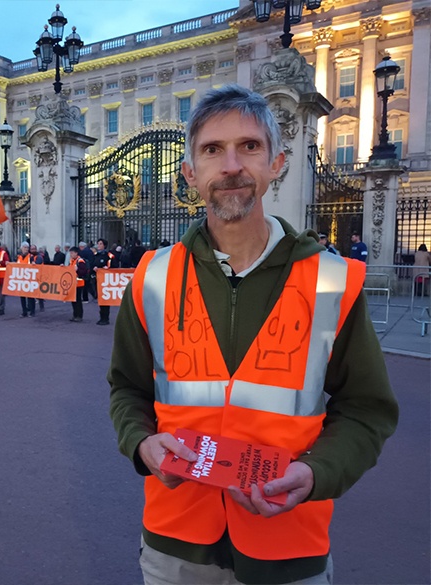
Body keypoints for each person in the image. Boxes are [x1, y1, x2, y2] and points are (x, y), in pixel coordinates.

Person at [108, 84, 398, 585]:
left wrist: (316, 474)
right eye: (212, 150)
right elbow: (127, 390)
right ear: (189, 174)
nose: (231, 166)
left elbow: (367, 410)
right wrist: (140, 443)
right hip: (176, 540)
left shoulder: (333, 280)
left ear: (277, 163)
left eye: (249, 146)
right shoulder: (151, 277)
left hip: (288, 543)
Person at [93, 238, 116, 325]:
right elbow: (93, 264)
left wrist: (108, 268)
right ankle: (101, 317)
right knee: (100, 300)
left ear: (104, 245)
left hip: (106, 281)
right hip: (98, 280)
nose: (98, 246)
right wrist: (94, 268)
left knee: (105, 300)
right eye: (98, 244)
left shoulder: (109, 255)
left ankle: (105, 318)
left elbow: (115, 265)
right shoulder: (96, 255)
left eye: (100, 244)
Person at [15, 243, 36, 317]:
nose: (26, 249)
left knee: (30, 296)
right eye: (24, 247)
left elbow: (34, 266)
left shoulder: (31, 257)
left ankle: (32, 311)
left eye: (27, 247)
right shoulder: (19, 257)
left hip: (29, 279)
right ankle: (24, 311)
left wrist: (34, 264)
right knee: (22, 297)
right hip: (22, 279)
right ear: (21, 248)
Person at [68, 247, 87, 322]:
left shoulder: (80, 261)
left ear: (76, 253)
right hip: (73, 283)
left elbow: (83, 271)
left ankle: (79, 315)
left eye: (72, 253)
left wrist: (78, 270)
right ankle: (75, 314)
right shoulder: (72, 261)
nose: (71, 254)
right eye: (70, 253)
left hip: (79, 283)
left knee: (78, 300)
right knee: (73, 300)